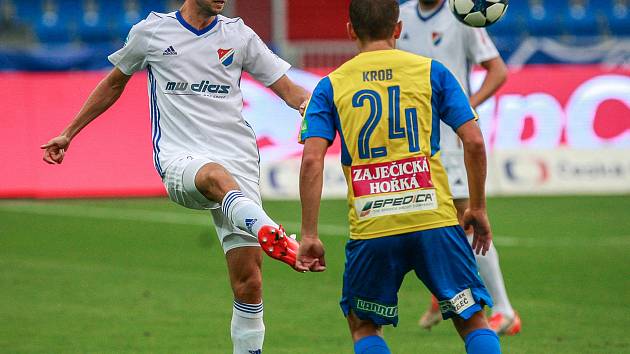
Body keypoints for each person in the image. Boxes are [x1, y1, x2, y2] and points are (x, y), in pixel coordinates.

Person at [40, 1, 308, 353]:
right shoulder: (151, 32)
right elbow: (113, 84)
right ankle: (272, 233)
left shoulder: (239, 35)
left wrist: (323, 113)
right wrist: (69, 133)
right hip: (181, 158)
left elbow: (293, 93)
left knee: (249, 283)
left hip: (239, 157)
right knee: (216, 176)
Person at [295, 0, 502, 352]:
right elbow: (475, 142)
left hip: (373, 226)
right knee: (472, 320)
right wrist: (478, 208)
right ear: (398, 29)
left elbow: (312, 160)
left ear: (350, 31)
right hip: (433, 220)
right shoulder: (432, 72)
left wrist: (310, 233)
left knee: (364, 326)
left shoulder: (329, 86)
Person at [397, 0, 521, 336]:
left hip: (450, 139)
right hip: (412, 136)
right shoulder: (402, 16)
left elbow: (498, 70)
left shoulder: (463, 15)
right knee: (430, 217)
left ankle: (504, 309)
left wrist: (466, 107)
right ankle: (445, 290)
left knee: (466, 217)